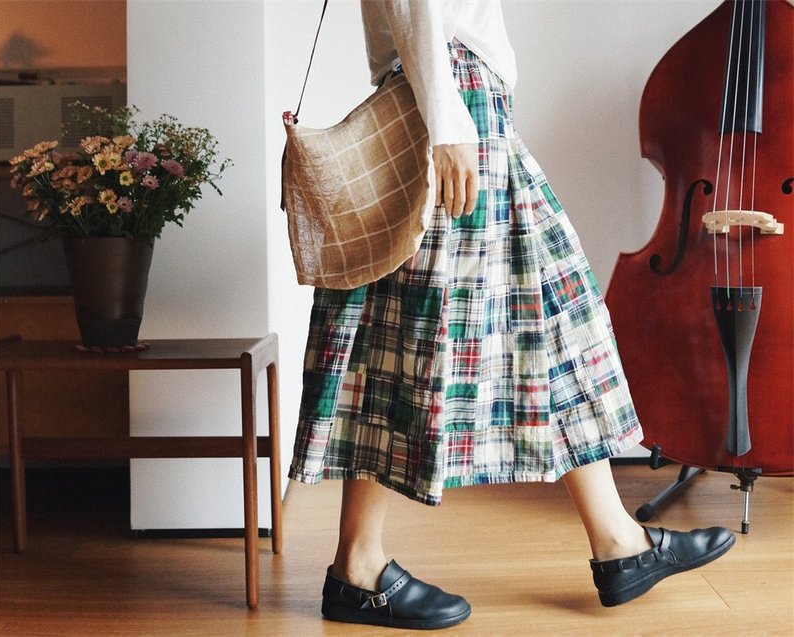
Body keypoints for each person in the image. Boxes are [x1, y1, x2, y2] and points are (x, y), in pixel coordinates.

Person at [289, 0, 735, 630]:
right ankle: (357, 566)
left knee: (553, 314)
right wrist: (445, 122)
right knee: (413, 329)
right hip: (449, 99)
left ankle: (618, 542)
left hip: (466, 98)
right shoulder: (447, 108)